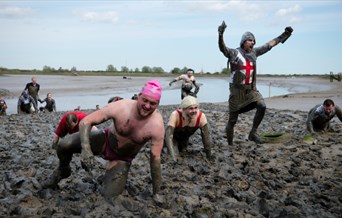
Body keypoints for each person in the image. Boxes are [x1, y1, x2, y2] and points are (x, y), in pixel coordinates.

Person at [43, 80, 165, 201]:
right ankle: (63, 169)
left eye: (152, 103)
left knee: (109, 196)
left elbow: (155, 159)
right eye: (145, 100)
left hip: (122, 158)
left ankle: (110, 174)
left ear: (158, 103)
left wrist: (156, 192)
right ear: (139, 96)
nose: (147, 106)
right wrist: (86, 149)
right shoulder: (121, 106)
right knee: (64, 144)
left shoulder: (156, 126)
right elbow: (86, 122)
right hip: (104, 141)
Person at [218, 20, 293, 145]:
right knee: (232, 121)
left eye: (253, 41)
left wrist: (284, 35)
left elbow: (270, 45)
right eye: (250, 40)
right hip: (237, 93)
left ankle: (253, 133)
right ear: (243, 42)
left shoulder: (254, 52)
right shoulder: (234, 53)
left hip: (251, 91)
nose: (252, 42)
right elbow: (222, 48)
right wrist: (221, 34)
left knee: (262, 106)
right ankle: (230, 144)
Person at [164, 96, 213, 162]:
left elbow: (206, 139)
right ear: (183, 109)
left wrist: (209, 157)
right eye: (191, 108)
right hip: (173, 138)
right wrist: (173, 157)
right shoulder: (175, 115)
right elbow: (168, 136)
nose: (194, 111)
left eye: (196, 108)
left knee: (183, 150)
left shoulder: (201, 117)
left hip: (184, 139)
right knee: (174, 156)